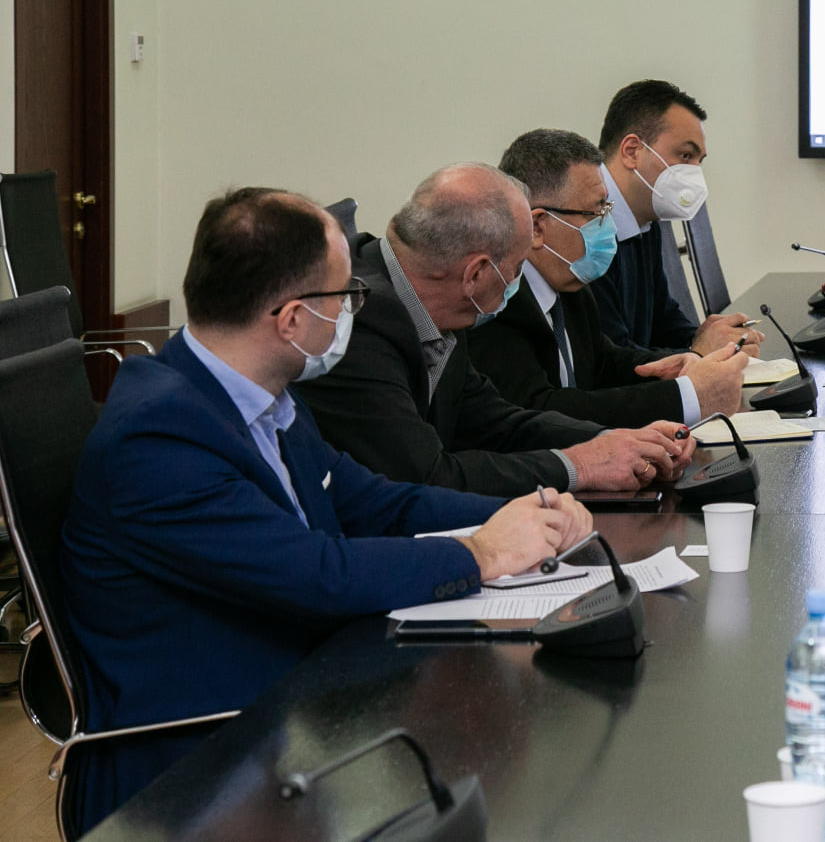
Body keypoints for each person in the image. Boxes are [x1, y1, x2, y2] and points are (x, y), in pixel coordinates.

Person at [61, 188, 595, 832]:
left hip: (297, 706)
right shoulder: (158, 437)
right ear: (292, 319)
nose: (353, 311)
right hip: (201, 770)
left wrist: (525, 512)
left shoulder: (263, 398)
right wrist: (482, 553)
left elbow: (376, 501)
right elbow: (316, 573)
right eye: (346, 296)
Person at [293, 163, 696, 497]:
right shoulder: (356, 323)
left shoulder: (438, 304)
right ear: (475, 274)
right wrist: (579, 466)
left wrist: (613, 441)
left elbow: (493, 420)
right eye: (517, 268)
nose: (518, 283)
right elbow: (424, 477)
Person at [462, 129, 750, 427]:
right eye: (595, 212)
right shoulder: (498, 300)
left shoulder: (570, 284)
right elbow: (539, 409)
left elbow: (603, 361)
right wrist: (684, 397)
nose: (608, 225)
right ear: (537, 227)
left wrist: (678, 366)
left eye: (607, 208)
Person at [591, 79, 764, 355]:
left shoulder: (646, 219)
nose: (695, 172)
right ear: (632, 151)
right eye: (685, 155)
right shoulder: (586, 228)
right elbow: (610, 358)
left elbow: (663, 319)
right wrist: (698, 353)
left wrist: (713, 341)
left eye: (699, 160)